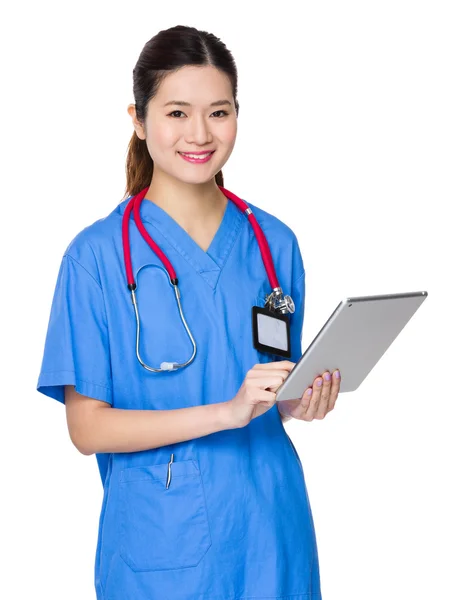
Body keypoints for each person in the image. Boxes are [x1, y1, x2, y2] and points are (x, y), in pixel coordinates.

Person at [36, 24, 341, 600]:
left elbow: (272, 389)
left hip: (274, 533)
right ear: (138, 118)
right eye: (177, 113)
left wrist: (300, 400)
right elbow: (86, 427)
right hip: (160, 545)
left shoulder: (273, 242)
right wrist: (226, 413)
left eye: (219, 112)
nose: (200, 134)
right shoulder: (97, 258)